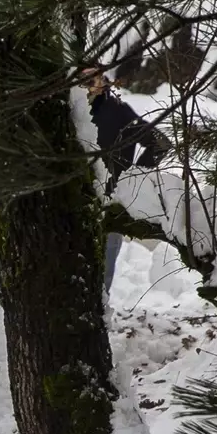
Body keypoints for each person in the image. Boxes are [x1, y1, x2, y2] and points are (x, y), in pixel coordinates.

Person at [81, 68, 172, 290]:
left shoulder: (116, 111)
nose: (93, 82)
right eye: (85, 78)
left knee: (101, 276)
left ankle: (98, 319)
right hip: (75, 203)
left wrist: (130, 177)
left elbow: (160, 144)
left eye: (96, 77)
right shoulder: (70, 114)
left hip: (107, 202)